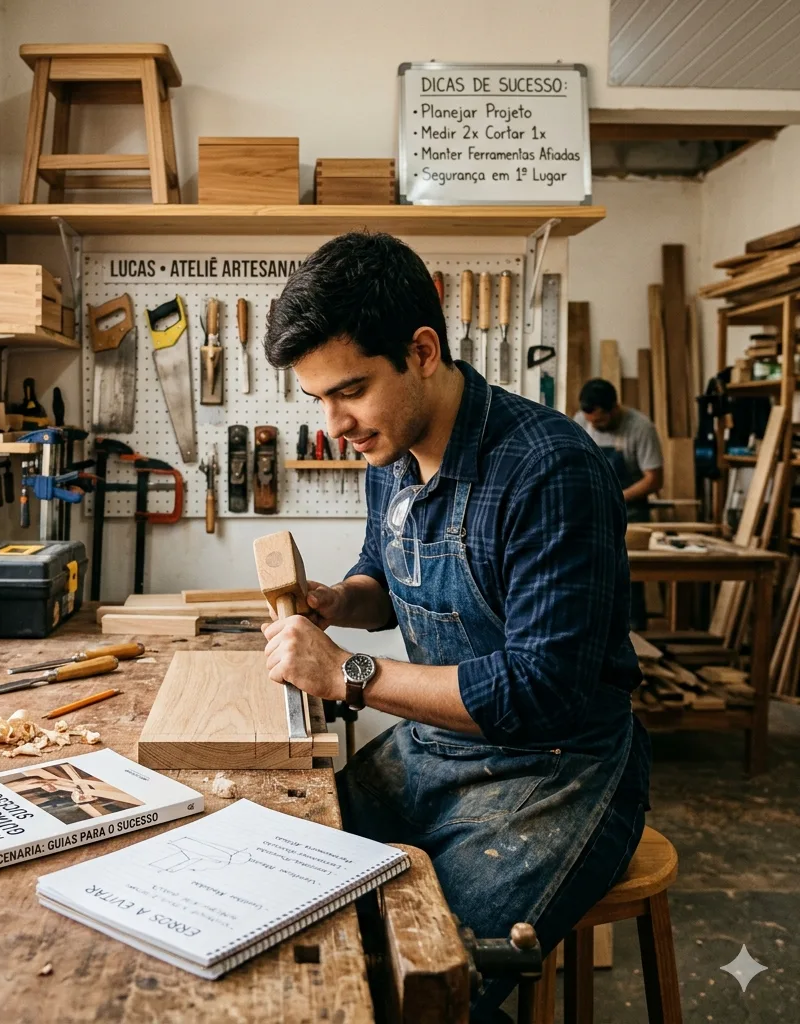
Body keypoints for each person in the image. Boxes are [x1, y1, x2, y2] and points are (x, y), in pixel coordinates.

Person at [261, 233, 650, 1022]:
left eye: (351, 391)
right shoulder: (393, 454)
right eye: (318, 402)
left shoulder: (552, 470)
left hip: (553, 772)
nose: (336, 424)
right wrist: (339, 602)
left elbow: (539, 692)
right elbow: (384, 578)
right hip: (434, 750)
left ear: (423, 350)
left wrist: (347, 675)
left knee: (420, 988)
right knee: (285, 899)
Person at [575, 378, 664, 630]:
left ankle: (636, 637)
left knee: (629, 579)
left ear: (615, 408)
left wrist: (614, 496)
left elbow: (654, 479)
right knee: (587, 575)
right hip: (590, 513)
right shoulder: (580, 422)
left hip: (630, 513)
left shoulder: (640, 428)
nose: (596, 426)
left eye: (601, 421)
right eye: (592, 422)